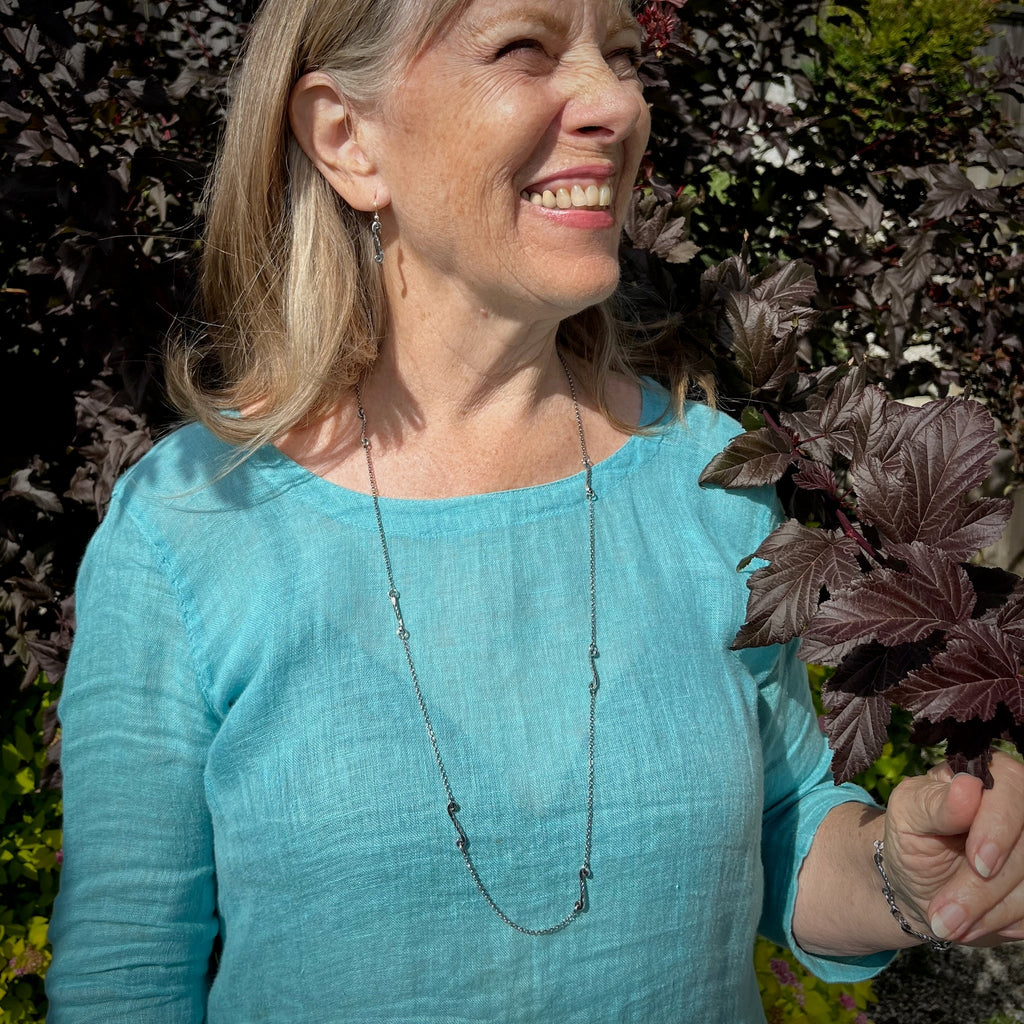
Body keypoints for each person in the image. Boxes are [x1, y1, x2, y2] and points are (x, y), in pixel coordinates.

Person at [46, 0, 1024, 1021]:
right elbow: (124, 975)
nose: (614, 103)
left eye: (623, 56)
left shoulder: (706, 481)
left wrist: (903, 880)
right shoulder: (193, 526)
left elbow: (784, 831)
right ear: (347, 137)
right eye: (524, 46)